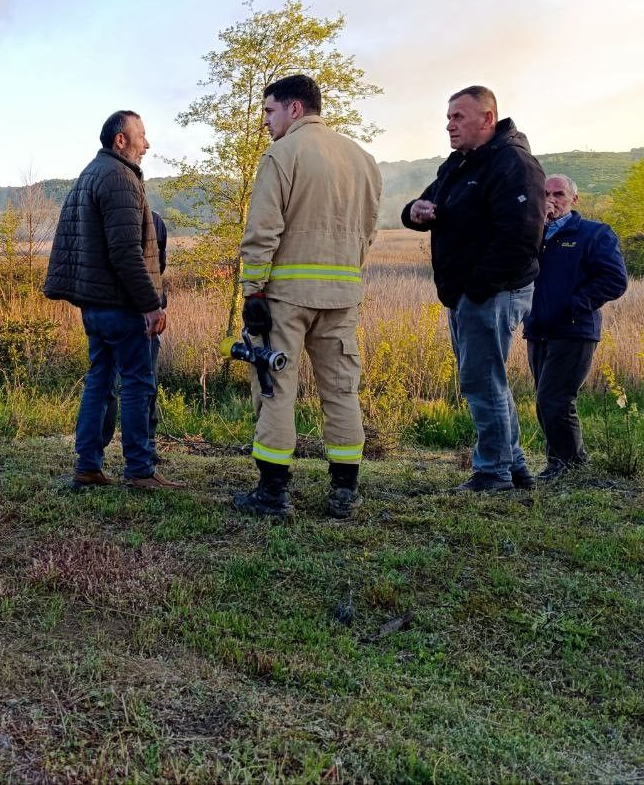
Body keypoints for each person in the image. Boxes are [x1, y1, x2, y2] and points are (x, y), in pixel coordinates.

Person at [234, 74, 382, 519]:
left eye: (269, 111)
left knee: (276, 387)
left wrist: (253, 290)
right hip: (342, 296)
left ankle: (273, 493)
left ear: (294, 108)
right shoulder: (363, 158)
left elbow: (262, 229)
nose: (265, 121)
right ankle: (344, 492)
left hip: (285, 297)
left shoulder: (282, 154)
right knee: (341, 389)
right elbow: (369, 230)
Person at [402, 85, 545, 492]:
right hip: (467, 292)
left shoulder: (513, 163)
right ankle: (513, 464)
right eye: (448, 117)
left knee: (481, 381)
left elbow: (521, 236)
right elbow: (426, 204)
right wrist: (414, 211)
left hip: (492, 291)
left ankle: (493, 472)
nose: (449, 125)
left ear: (488, 119)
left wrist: (477, 288)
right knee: (488, 378)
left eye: (458, 117)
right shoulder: (460, 164)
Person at [44, 110, 182, 490]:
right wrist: (151, 304)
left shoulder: (90, 173)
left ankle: (88, 466)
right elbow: (125, 252)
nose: (147, 144)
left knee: (99, 382)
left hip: (96, 306)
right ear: (120, 140)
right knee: (138, 383)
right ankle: (139, 469)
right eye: (142, 135)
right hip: (122, 307)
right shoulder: (119, 177)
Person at [523, 174, 628, 481]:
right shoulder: (531, 236)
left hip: (575, 330)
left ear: (574, 200)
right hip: (537, 328)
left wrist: (573, 305)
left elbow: (615, 281)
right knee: (544, 400)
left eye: (559, 194)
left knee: (555, 398)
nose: (551, 200)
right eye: (544, 194)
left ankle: (567, 466)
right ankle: (566, 463)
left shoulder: (593, 233)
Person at [101, 211, 168, 464]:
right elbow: (158, 269)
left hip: (112, 309)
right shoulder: (156, 221)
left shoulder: (107, 217)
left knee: (107, 381)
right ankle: (145, 448)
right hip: (142, 311)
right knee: (142, 384)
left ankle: (98, 449)